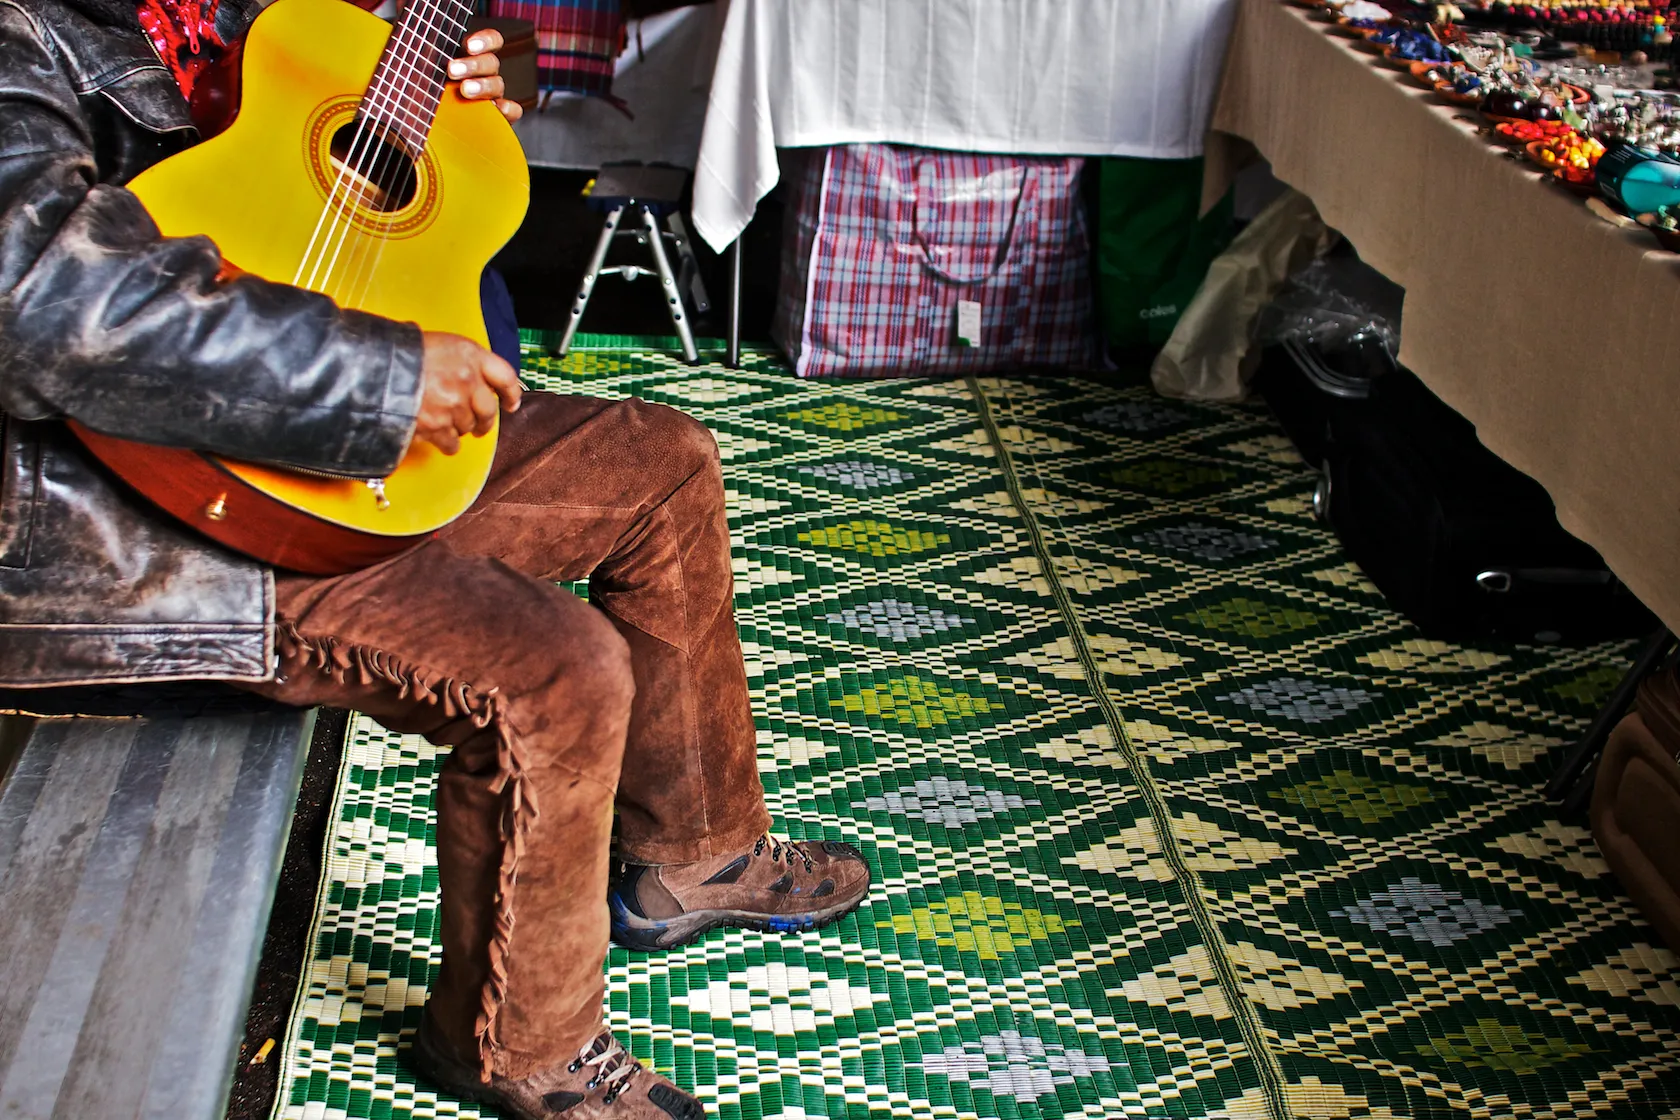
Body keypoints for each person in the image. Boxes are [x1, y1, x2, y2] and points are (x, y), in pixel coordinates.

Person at [0, 0, 872, 1117]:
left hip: (302, 445)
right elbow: (36, 298)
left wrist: (459, 92)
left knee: (657, 460)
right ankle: (522, 1043)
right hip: (125, 532)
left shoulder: (222, 11)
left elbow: (311, 139)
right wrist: (381, 377)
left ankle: (694, 851)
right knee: (560, 666)